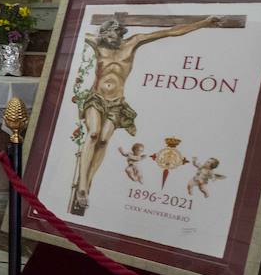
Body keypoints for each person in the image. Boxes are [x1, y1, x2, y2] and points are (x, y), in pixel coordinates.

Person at [72, 15, 218, 215]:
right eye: (108, 34)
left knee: (104, 140)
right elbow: (72, 28)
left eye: (115, 33)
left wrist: (204, 23)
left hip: (116, 102)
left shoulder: (133, 43)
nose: (111, 37)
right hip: (96, 98)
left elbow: (170, 31)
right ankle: (81, 186)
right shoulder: (98, 44)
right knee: (94, 134)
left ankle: (88, 182)